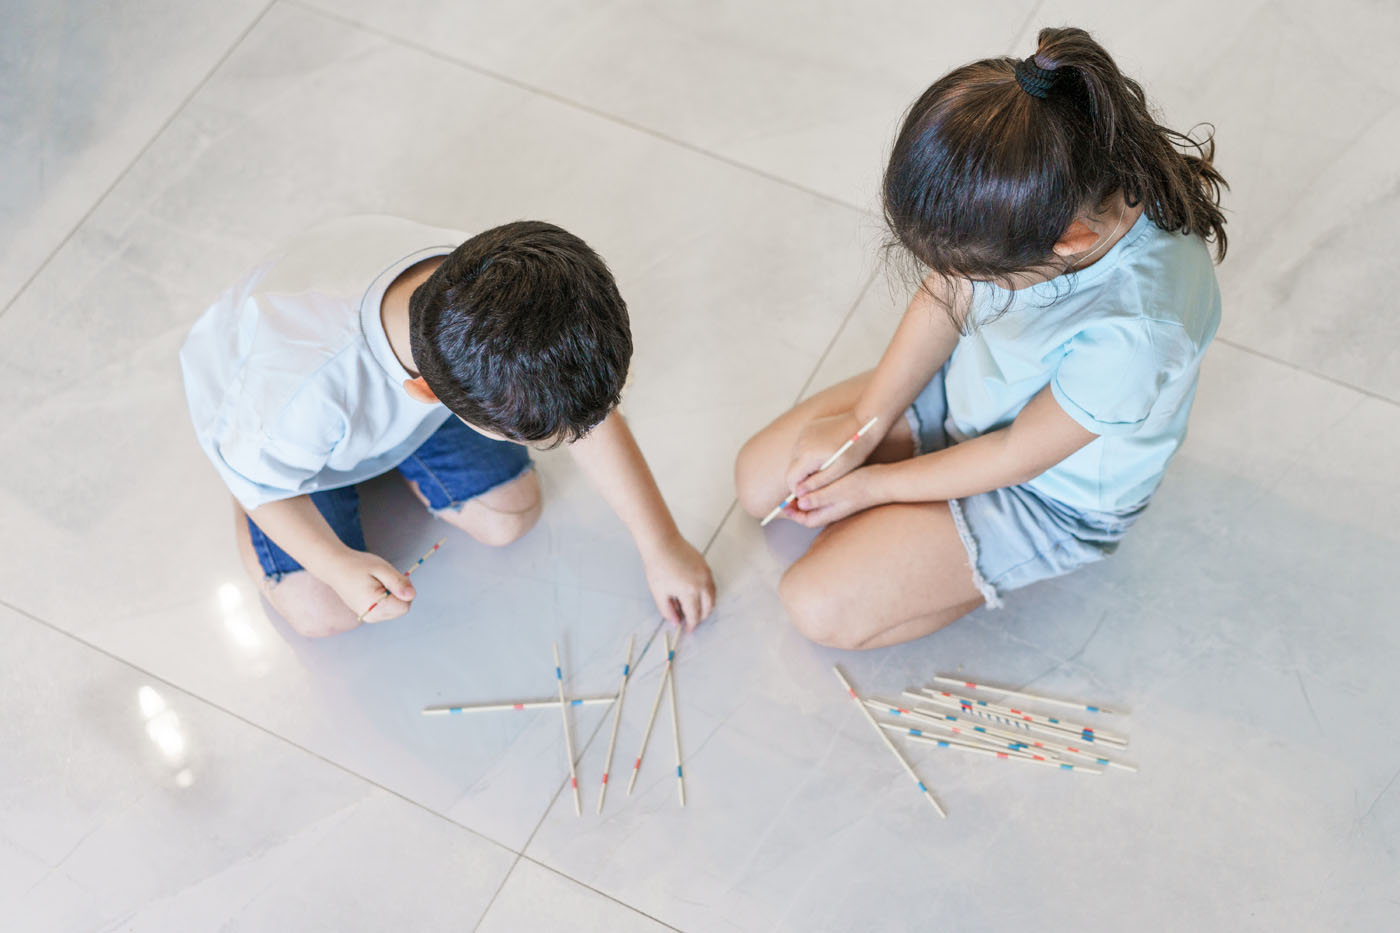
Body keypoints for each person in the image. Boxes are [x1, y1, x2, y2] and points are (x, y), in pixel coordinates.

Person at [735, 26, 1227, 650]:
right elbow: (944, 295)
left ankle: (972, 559)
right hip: (969, 393)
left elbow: (1016, 452)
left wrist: (871, 485)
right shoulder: (1033, 182)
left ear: (1067, 242)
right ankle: (916, 518)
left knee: (816, 605)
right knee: (757, 480)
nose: (955, 281)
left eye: (980, 273)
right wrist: (862, 422)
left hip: (1048, 493)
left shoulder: (1141, 332)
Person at [181, 215, 714, 638]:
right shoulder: (293, 400)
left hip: (374, 391)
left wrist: (661, 542)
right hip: (269, 437)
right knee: (324, 613)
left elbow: (586, 412)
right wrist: (338, 565)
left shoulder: (495, 277)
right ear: (427, 393)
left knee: (510, 517)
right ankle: (254, 469)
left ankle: (373, 453)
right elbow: (266, 487)